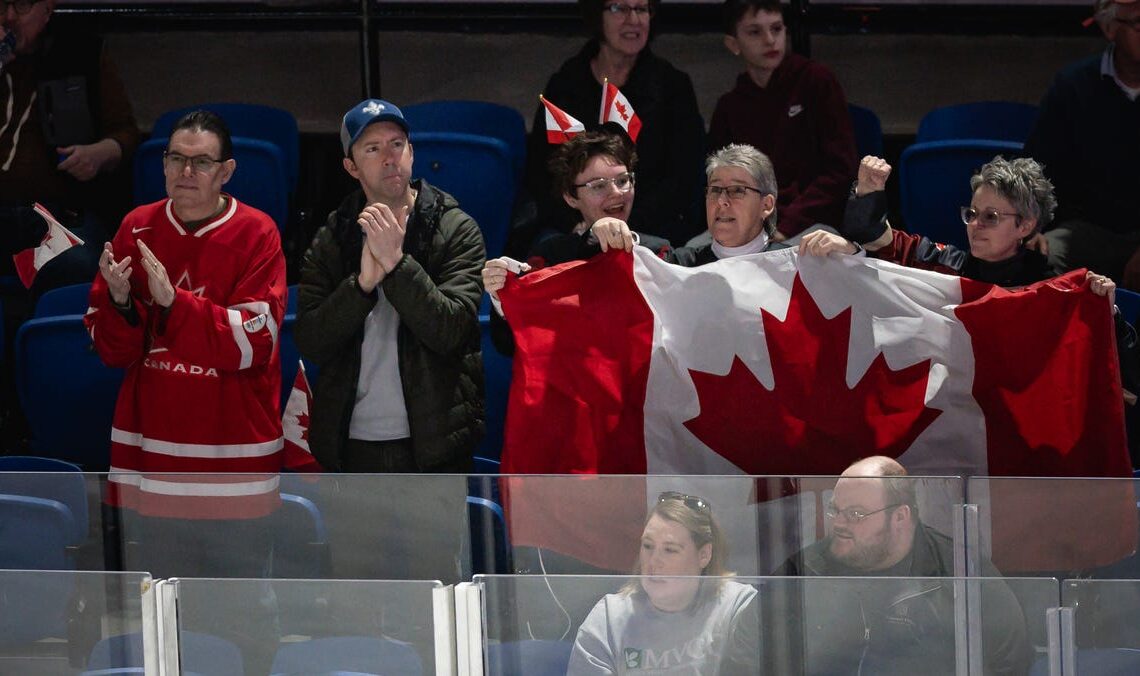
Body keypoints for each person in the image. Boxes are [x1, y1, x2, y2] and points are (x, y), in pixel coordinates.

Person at [85, 109, 286, 675]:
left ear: (227, 171)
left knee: (237, 625)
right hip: (153, 463)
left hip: (232, 467)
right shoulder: (136, 227)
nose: (185, 171)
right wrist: (123, 305)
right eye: (175, 158)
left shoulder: (258, 233)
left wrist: (174, 304)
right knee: (161, 625)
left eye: (200, 161)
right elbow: (110, 349)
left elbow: (254, 342)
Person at [295, 98, 485, 474]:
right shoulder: (333, 236)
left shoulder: (456, 229)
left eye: (397, 144)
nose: (389, 157)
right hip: (350, 443)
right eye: (373, 148)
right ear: (351, 166)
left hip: (435, 446)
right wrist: (362, 285)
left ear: (412, 152)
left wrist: (397, 265)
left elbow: (450, 332)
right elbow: (311, 340)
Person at [774, 456, 1032, 675]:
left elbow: (1010, 662)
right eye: (835, 510)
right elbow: (751, 652)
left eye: (855, 514)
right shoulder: (805, 570)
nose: (838, 524)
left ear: (900, 516)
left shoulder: (960, 572)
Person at [522, 0, 706, 250]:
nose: (634, 19)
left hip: (651, 228)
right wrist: (581, 227)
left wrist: (625, 226)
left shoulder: (672, 85)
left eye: (641, 9)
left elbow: (684, 177)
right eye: (620, 8)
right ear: (597, 16)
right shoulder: (567, 83)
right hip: (574, 225)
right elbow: (542, 175)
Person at [800, 154, 1120, 296]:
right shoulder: (947, 264)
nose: (975, 225)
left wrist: (1102, 301)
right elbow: (876, 239)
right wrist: (868, 192)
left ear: (1025, 226)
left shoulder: (1054, 287)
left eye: (991, 217)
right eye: (972, 214)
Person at [0, 0, 141, 292]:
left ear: (48, 10)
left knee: (79, 264)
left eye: (22, 5)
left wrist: (100, 154)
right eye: (2, 6)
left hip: (56, 214)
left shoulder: (81, 54)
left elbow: (125, 133)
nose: (9, 16)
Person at [708, 0, 856, 240]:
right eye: (755, 32)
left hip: (812, 223)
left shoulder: (816, 81)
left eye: (776, 29)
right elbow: (720, 180)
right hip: (749, 225)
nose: (769, 40)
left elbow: (840, 171)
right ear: (733, 44)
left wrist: (786, 225)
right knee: (695, 252)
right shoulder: (730, 106)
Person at [566, 491, 759, 675]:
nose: (653, 561)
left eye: (670, 550)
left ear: (704, 555)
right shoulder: (607, 619)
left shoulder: (738, 606)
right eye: (648, 546)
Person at [1023, 0, 1140, 288]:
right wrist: (1031, 227)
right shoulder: (1074, 86)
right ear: (1110, 28)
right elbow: (1037, 167)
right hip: (1089, 229)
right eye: (1139, 23)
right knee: (1038, 256)